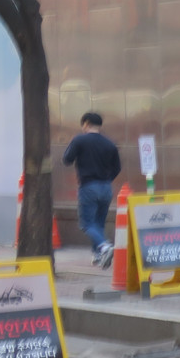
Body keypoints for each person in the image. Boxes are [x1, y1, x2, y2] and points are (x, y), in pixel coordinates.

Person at [61, 112, 121, 268]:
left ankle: (104, 246)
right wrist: (107, 179)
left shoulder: (80, 140)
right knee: (99, 223)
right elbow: (117, 168)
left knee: (87, 224)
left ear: (86, 123)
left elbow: (67, 159)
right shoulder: (110, 144)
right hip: (106, 187)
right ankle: (98, 255)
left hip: (88, 186)